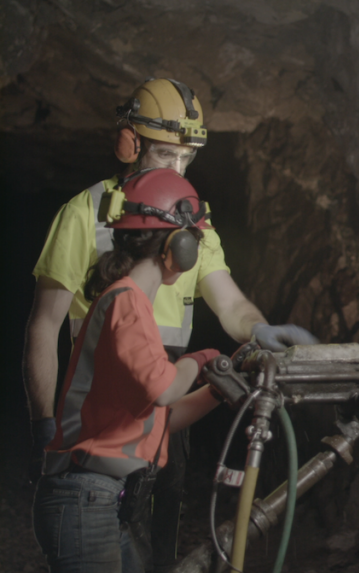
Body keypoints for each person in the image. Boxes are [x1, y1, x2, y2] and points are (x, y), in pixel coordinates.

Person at [22, 77, 317, 571]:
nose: (178, 169)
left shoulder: (190, 224)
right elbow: (43, 327)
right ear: (129, 143)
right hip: (107, 397)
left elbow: (230, 305)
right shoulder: (85, 215)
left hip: (166, 396)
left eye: (186, 158)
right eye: (165, 155)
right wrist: (44, 427)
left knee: (154, 536)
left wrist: (259, 333)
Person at [33, 169, 226, 573]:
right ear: (179, 246)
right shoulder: (126, 302)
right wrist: (204, 359)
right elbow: (164, 391)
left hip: (101, 500)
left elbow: (160, 418)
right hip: (85, 500)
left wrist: (220, 389)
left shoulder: (131, 304)